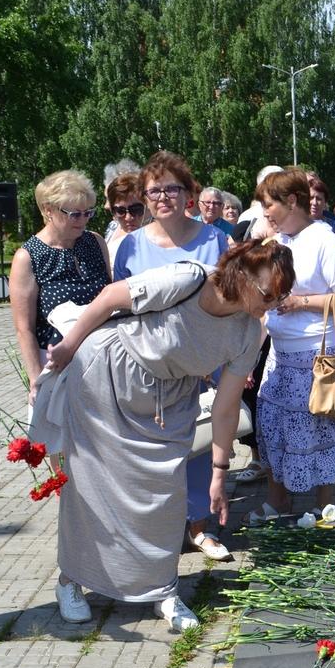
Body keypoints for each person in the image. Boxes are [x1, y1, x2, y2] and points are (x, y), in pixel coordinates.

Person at [42, 242, 296, 632]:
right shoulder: (190, 279)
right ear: (242, 276)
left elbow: (227, 408)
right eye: (268, 295)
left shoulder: (248, 332)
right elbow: (111, 297)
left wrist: (219, 471)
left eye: (281, 297)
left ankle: (163, 590)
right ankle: (70, 582)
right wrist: (68, 346)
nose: (272, 305)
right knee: (91, 486)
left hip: (170, 398)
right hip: (107, 376)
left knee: (165, 492)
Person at [113, 151, 232, 563]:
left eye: (171, 188)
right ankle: (158, 529)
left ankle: (199, 526)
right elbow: (122, 305)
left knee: (197, 443)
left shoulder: (214, 239)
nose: (162, 197)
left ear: (189, 194)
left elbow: (225, 298)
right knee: (153, 450)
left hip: (201, 359)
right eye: (153, 190)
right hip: (147, 362)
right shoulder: (130, 245)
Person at [256, 169, 335, 516]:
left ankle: (325, 505)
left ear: (291, 201)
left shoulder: (323, 240)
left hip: (316, 354)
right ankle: (279, 500)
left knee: (316, 427)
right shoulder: (279, 241)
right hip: (279, 352)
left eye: (268, 204)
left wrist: (301, 303)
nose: (265, 212)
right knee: (272, 424)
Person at [10, 170, 112, 418]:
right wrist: (36, 379)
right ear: (48, 210)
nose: (83, 220)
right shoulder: (28, 257)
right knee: (60, 447)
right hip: (57, 363)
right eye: (74, 214)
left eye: (88, 212)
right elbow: (25, 328)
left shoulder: (95, 242)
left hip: (102, 360)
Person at [104, 172, 145, 269]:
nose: (128, 217)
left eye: (136, 209)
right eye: (120, 211)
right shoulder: (113, 226)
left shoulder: (157, 236)